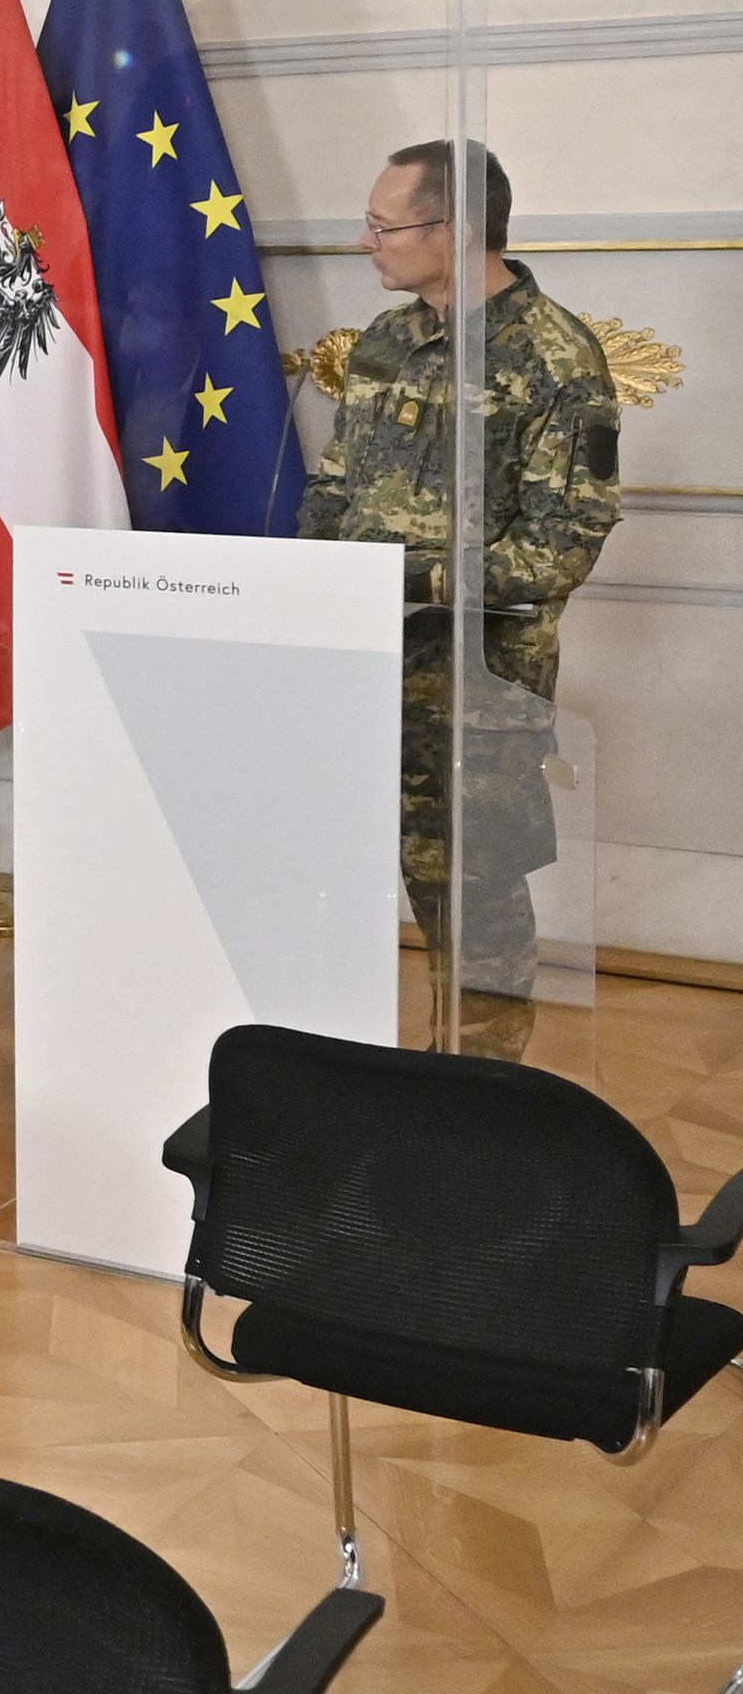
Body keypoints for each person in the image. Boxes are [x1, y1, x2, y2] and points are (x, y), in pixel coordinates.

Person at [304, 141, 622, 1062]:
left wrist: (405, 581)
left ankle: (482, 1110)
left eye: (384, 224)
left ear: (459, 230)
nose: (366, 243)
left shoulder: (556, 356)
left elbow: (559, 548)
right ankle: (354, 1097)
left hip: (478, 693)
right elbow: (333, 493)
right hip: (362, 672)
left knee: (476, 910)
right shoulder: (384, 342)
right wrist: (313, 588)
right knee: (342, 886)